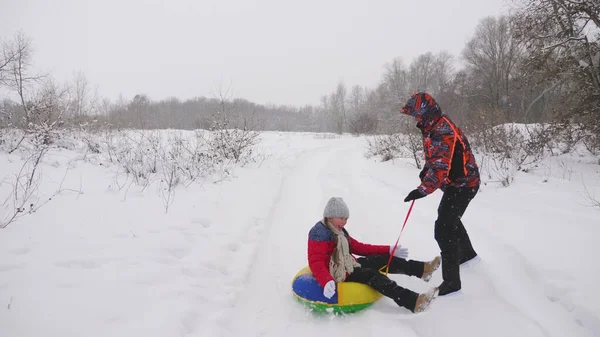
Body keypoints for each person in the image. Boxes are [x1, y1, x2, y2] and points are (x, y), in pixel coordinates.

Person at [400, 92, 480, 296]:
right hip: (456, 183)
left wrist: (421, 190)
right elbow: (434, 158)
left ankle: (452, 283)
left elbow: (440, 170)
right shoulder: (431, 127)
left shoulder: (441, 131)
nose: (415, 120)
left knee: (444, 229)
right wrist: (426, 170)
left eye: (417, 115)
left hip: (464, 184)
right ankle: (468, 255)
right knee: (449, 218)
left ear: (426, 113)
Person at [307, 197, 441, 313]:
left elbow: (359, 247)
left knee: (383, 260)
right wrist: (326, 280)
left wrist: (388, 250)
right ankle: (414, 302)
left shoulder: (339, 231)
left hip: (349, 265)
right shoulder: (319, 234)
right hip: (338, 273)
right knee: (373, 275)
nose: (344, 222)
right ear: (330, 216)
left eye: (346, 218)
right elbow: (316, 261)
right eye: (341, 218)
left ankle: (423, 270)